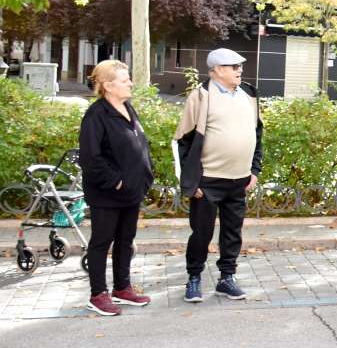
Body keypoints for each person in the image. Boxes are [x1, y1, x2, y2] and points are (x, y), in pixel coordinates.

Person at [175, 48, 263, 302]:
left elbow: (258, 134)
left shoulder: (249, 94)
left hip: (239, 180)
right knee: (201, 233)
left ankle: (227, 278)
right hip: (208, 181)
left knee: (232, 233)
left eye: (239, 66)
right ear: (216, 70)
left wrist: (254, 170)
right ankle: (194, 279)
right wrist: (191, 182)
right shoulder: (201, 96)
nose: (239, 70)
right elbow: (183, 140)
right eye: (233, 66)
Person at [78, 60, 154, 316]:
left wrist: (145, 174)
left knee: (125, 240)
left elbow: (139, 145)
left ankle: (122, 288)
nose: (130, 83)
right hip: (108, 193)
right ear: (108, 85)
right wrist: (116, 181)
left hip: (132, 191)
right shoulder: (96, 114)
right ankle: (98, 294)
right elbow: (90, 157)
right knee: (101, 242)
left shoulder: (127, 107)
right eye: (125, 80)